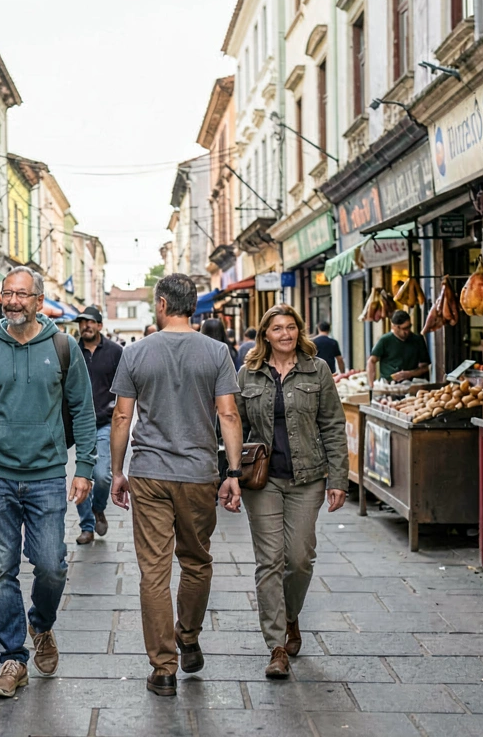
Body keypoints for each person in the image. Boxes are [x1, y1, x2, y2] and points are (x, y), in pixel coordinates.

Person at [0, 266, 96, 698]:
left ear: (38, 300)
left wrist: (86, 467)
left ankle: (42, 623)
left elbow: (84, 411)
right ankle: (12, 658)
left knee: (52, 565)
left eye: (22, 294)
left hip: (48, 475)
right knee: (2, 571)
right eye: (7, 293)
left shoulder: (63, 347)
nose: (13, 301)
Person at [109, 274, 244, 697]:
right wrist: (234, 474)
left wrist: (117, 471)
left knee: (154, 571)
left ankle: (163, 668)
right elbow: (229, 416)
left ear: (163, 304)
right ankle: (188, 635)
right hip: (199, 472)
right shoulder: (217, 352)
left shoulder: (136, 352)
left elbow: (121, 418)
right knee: (197, 560)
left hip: (149, 473)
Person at [236, 304, 348, 679]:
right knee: (269, 561)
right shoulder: (247, 374)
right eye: (276, 328)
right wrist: (229, 475)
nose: (284, 334)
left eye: (290, 328)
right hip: (261, 480)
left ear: (299, 332)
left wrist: (338, 479)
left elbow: (333, 425)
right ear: (264, 334)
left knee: (299, 558)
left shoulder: (317, 370)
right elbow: (231, 426)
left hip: (308, 478)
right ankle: (276, 646)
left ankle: (290, 615)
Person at [74, 305, 122, 545]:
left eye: (90, 322)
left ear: (100, 325)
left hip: (105, 423)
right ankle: (86, 527)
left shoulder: (115, 352)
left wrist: (113, 411)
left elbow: (123, 388)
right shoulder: (72, 351)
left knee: (102, 475)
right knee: (81, 476)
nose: (86, 326)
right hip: (78, 426)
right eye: (82, 323)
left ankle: (98, 508)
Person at [367, 309, 431, 384]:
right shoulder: (385, 340)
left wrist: (410, 373)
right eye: (404, 328)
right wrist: (371, 385)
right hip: (388, 384)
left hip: (411, 383)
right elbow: (371, 361)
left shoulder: (417, 340)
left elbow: (425, 367)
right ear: (394, 327)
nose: (407, 331)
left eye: (409, 327)